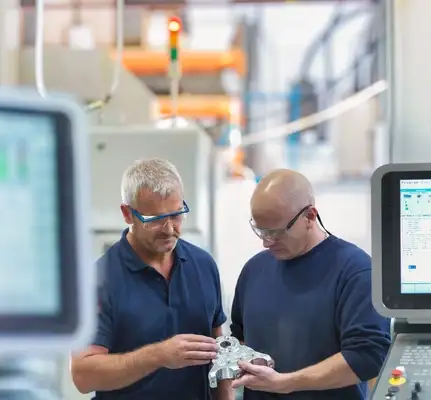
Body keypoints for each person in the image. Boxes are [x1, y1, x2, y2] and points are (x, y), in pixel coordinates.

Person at [71, 158, 233, 400]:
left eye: (177, 215)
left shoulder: (203, 264)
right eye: (155, 220)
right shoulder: (99, 280)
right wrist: (158, 356)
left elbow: (219, 352)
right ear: (128, 214)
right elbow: (83, 376)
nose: (169, 229)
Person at [229, 169, 391, 400]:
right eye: (260, 230)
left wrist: (285, 383)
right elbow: (240, 338)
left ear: (310, 216)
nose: (266, 242)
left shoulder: (356, 271)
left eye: (276, 232)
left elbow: (367, 356)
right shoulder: (254, 270)